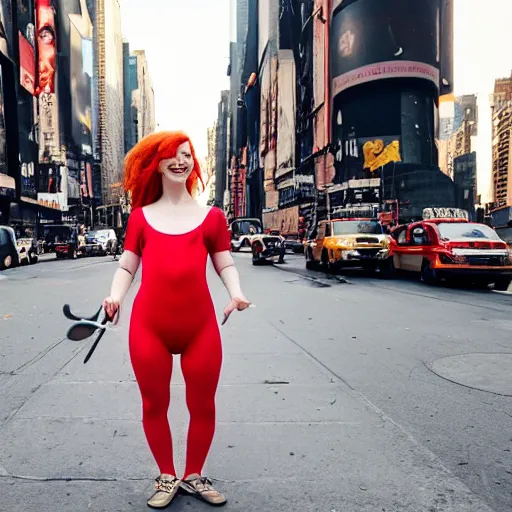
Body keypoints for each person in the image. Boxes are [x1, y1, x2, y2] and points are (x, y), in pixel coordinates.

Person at [102, 131, 250, 509]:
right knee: (154, 404)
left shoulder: (211, 218)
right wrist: (115, 296)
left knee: (203, 405)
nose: (181, 161)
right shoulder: (140, 218)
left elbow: (225, 262)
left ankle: (194, 475)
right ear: (158, 163)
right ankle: (167, 475)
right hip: (149, 327)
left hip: (200, 328)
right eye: (172, 155)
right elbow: (127, 265)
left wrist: (236, 293)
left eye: (186, 154)